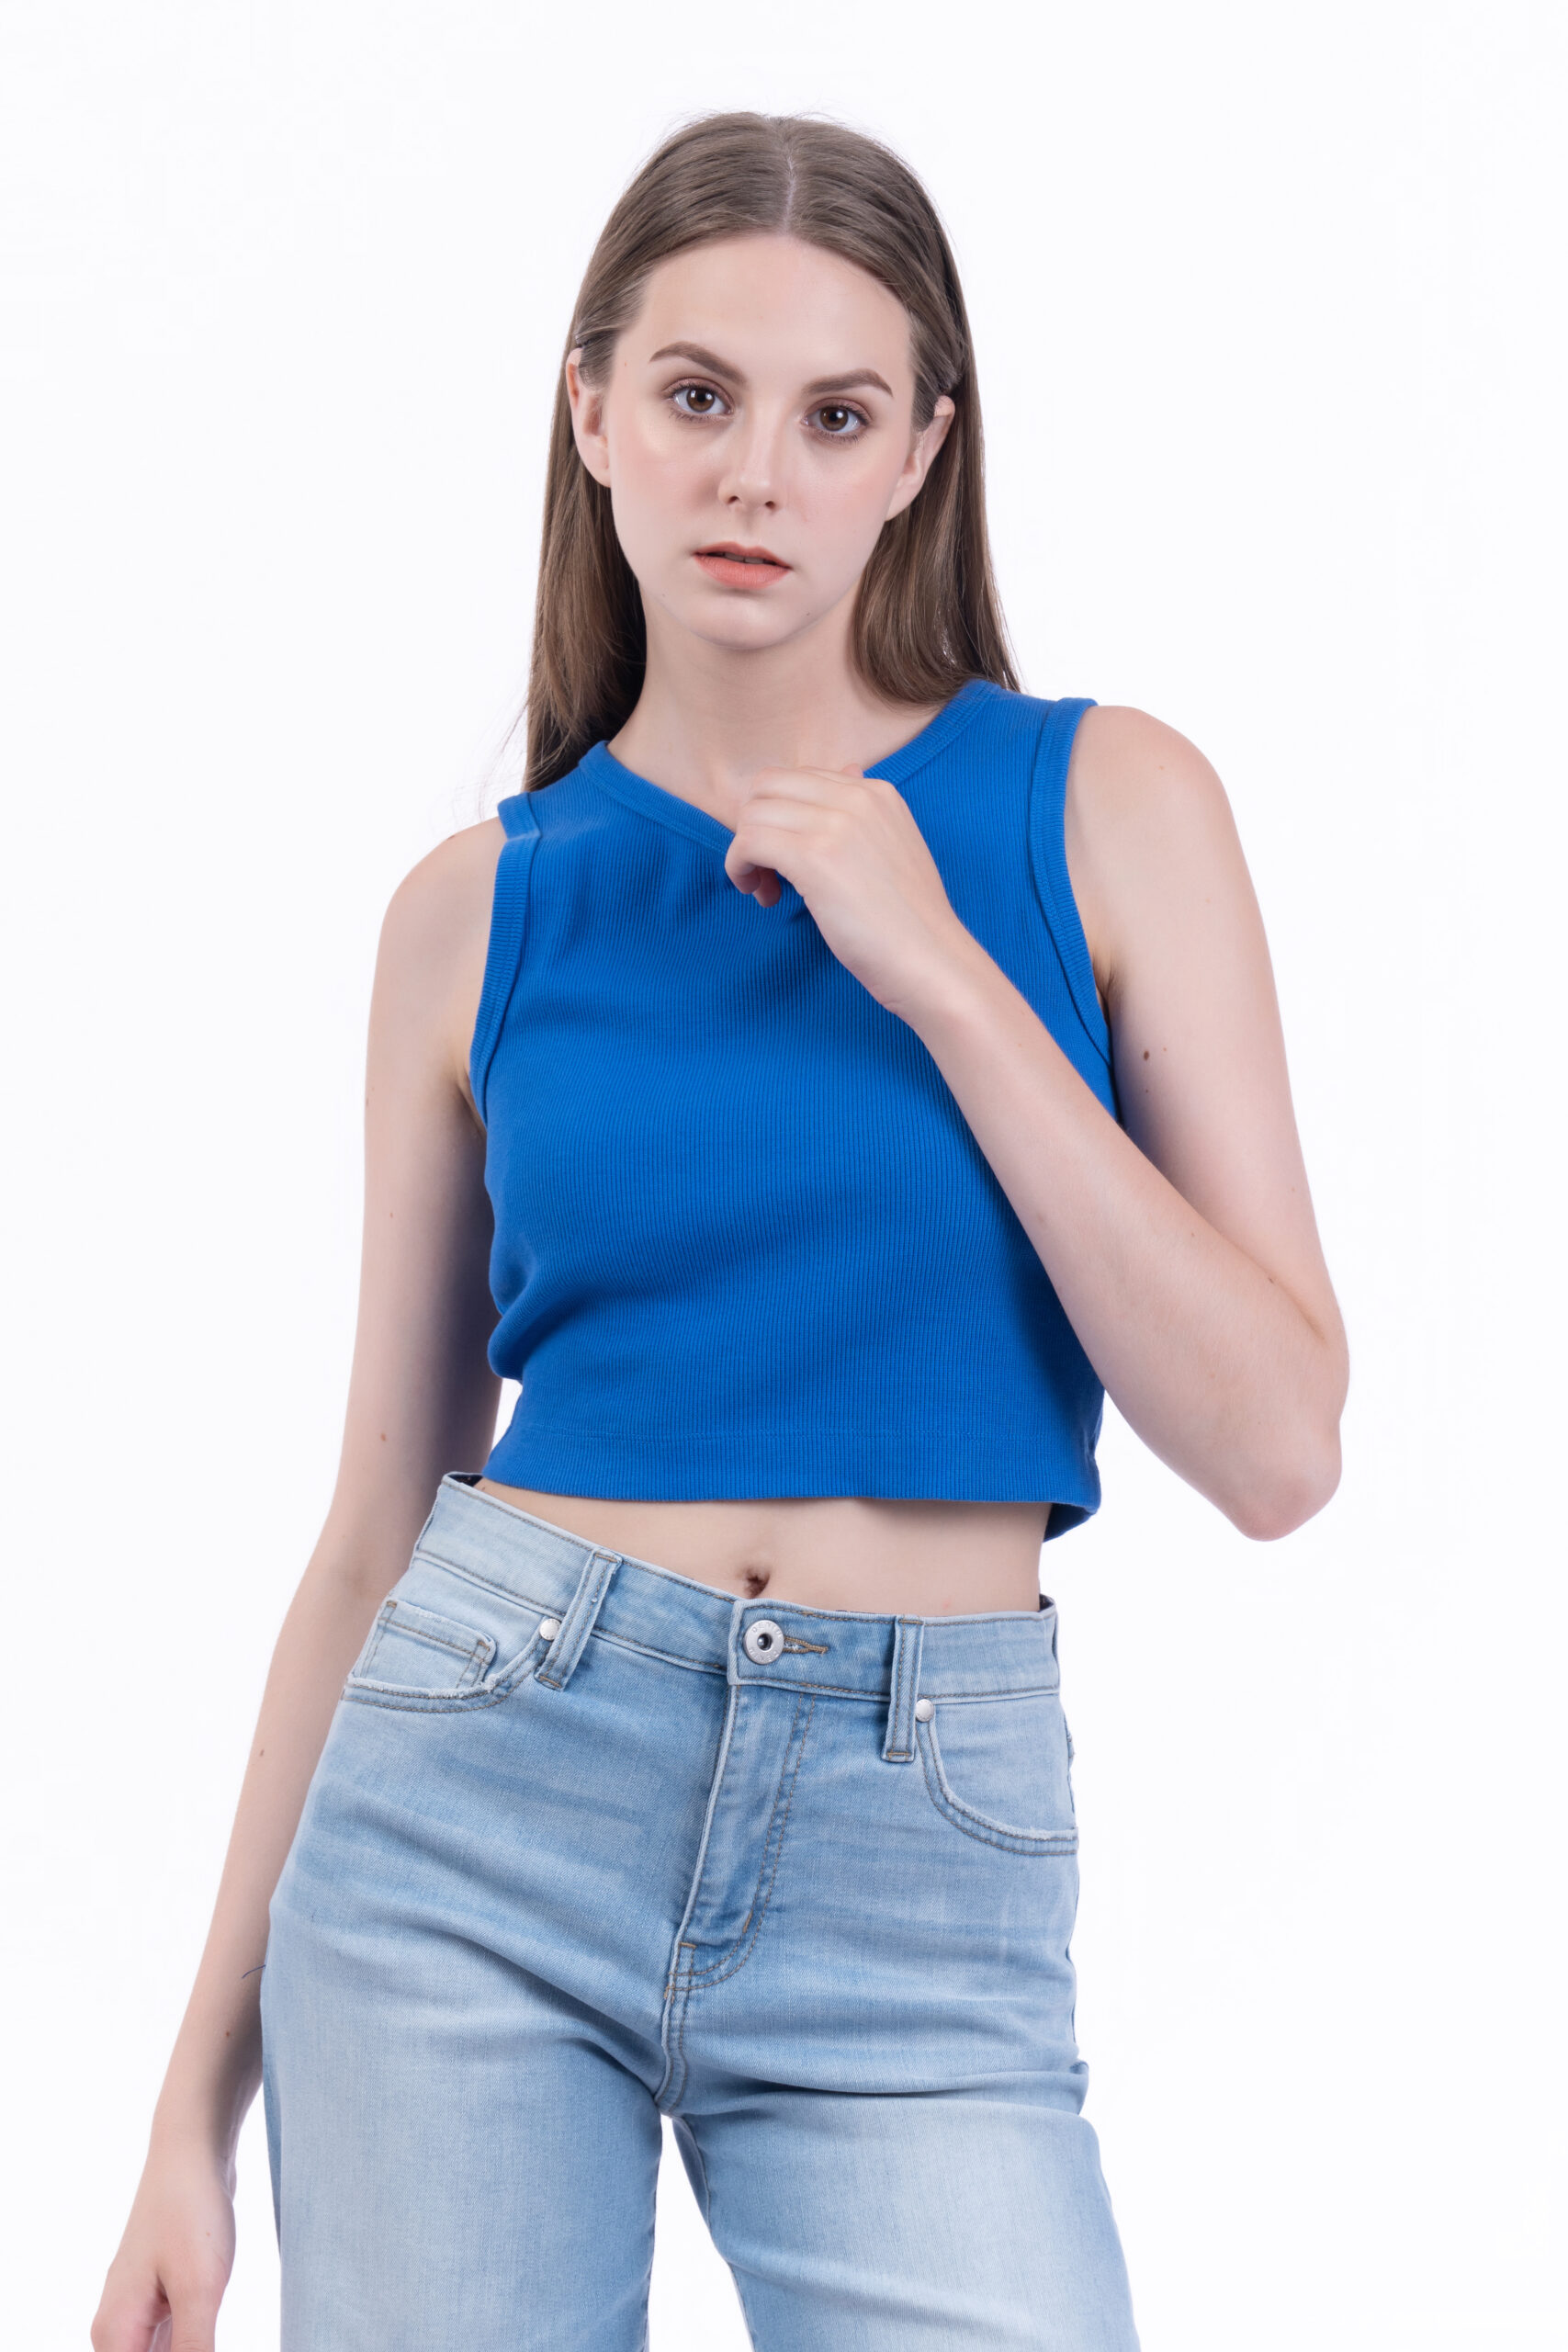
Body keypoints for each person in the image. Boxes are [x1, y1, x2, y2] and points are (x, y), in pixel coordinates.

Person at [92, 109, 1348, 2352]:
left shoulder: (1102, 806)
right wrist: (194, 2101)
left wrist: (939, 970)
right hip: (474, 1811)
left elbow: (1273, 1446)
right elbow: (374, 1529)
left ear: (919, 453)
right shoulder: (475, 911)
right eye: (695, 395)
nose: (754, 473)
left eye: (833, 414)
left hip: (920, 1851)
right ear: (590, 414)